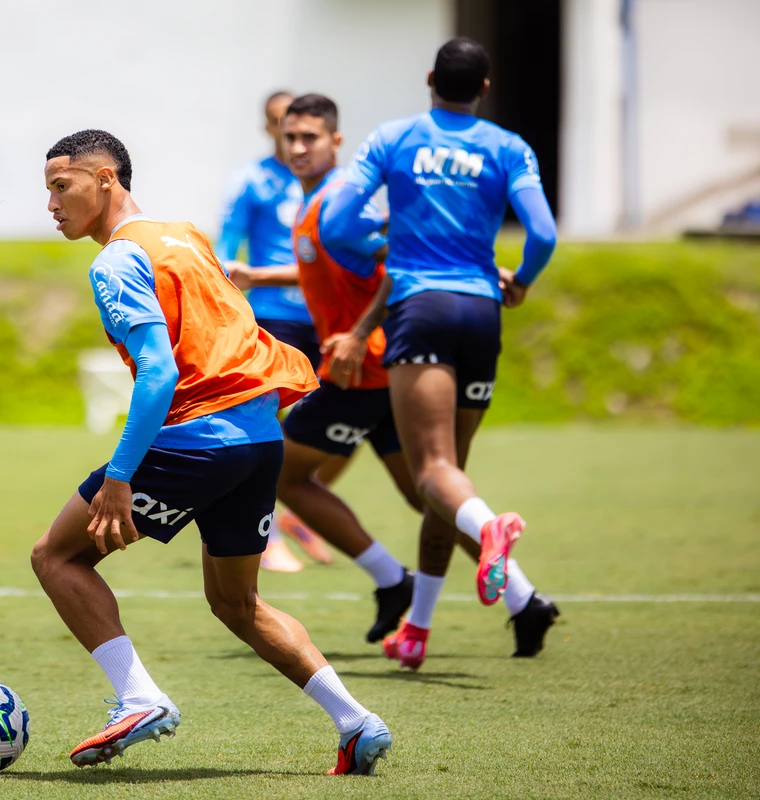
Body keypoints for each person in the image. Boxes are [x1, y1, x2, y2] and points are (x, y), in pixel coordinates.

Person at [33, 129, 392, 775]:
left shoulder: (115, 261)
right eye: (48, 191)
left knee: (57, 557)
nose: (52, 204)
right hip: (259, 438)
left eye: (62, 187)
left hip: (197, 438)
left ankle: (138, 697)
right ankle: (355, 722)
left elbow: (159, 373)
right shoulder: (186, 235)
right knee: (237, 603)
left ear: (106, 178)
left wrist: (119, 478)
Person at [275, 93, 558, 659]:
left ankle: (389, 579)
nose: (300, 147)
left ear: (337, 142)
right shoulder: (315, 205)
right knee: (429, 493)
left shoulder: (339, 202)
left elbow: (395, 266)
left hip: (370, 366)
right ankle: (526, 602)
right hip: (383, 367)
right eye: (291, 137)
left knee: (284, 474)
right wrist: (257, 276)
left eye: (312, 137)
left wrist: (357, 332)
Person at [218, 90, 338, 572]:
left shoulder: (332, 184)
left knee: (333, 429)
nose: (289, 138)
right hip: (273, 313)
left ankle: (298, 509)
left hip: (329, 318)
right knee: (266, 426)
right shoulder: (253, 179)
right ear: (270, 128)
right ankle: (262, 533)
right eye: (278, 125)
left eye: (300, 129)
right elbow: (228, 246)